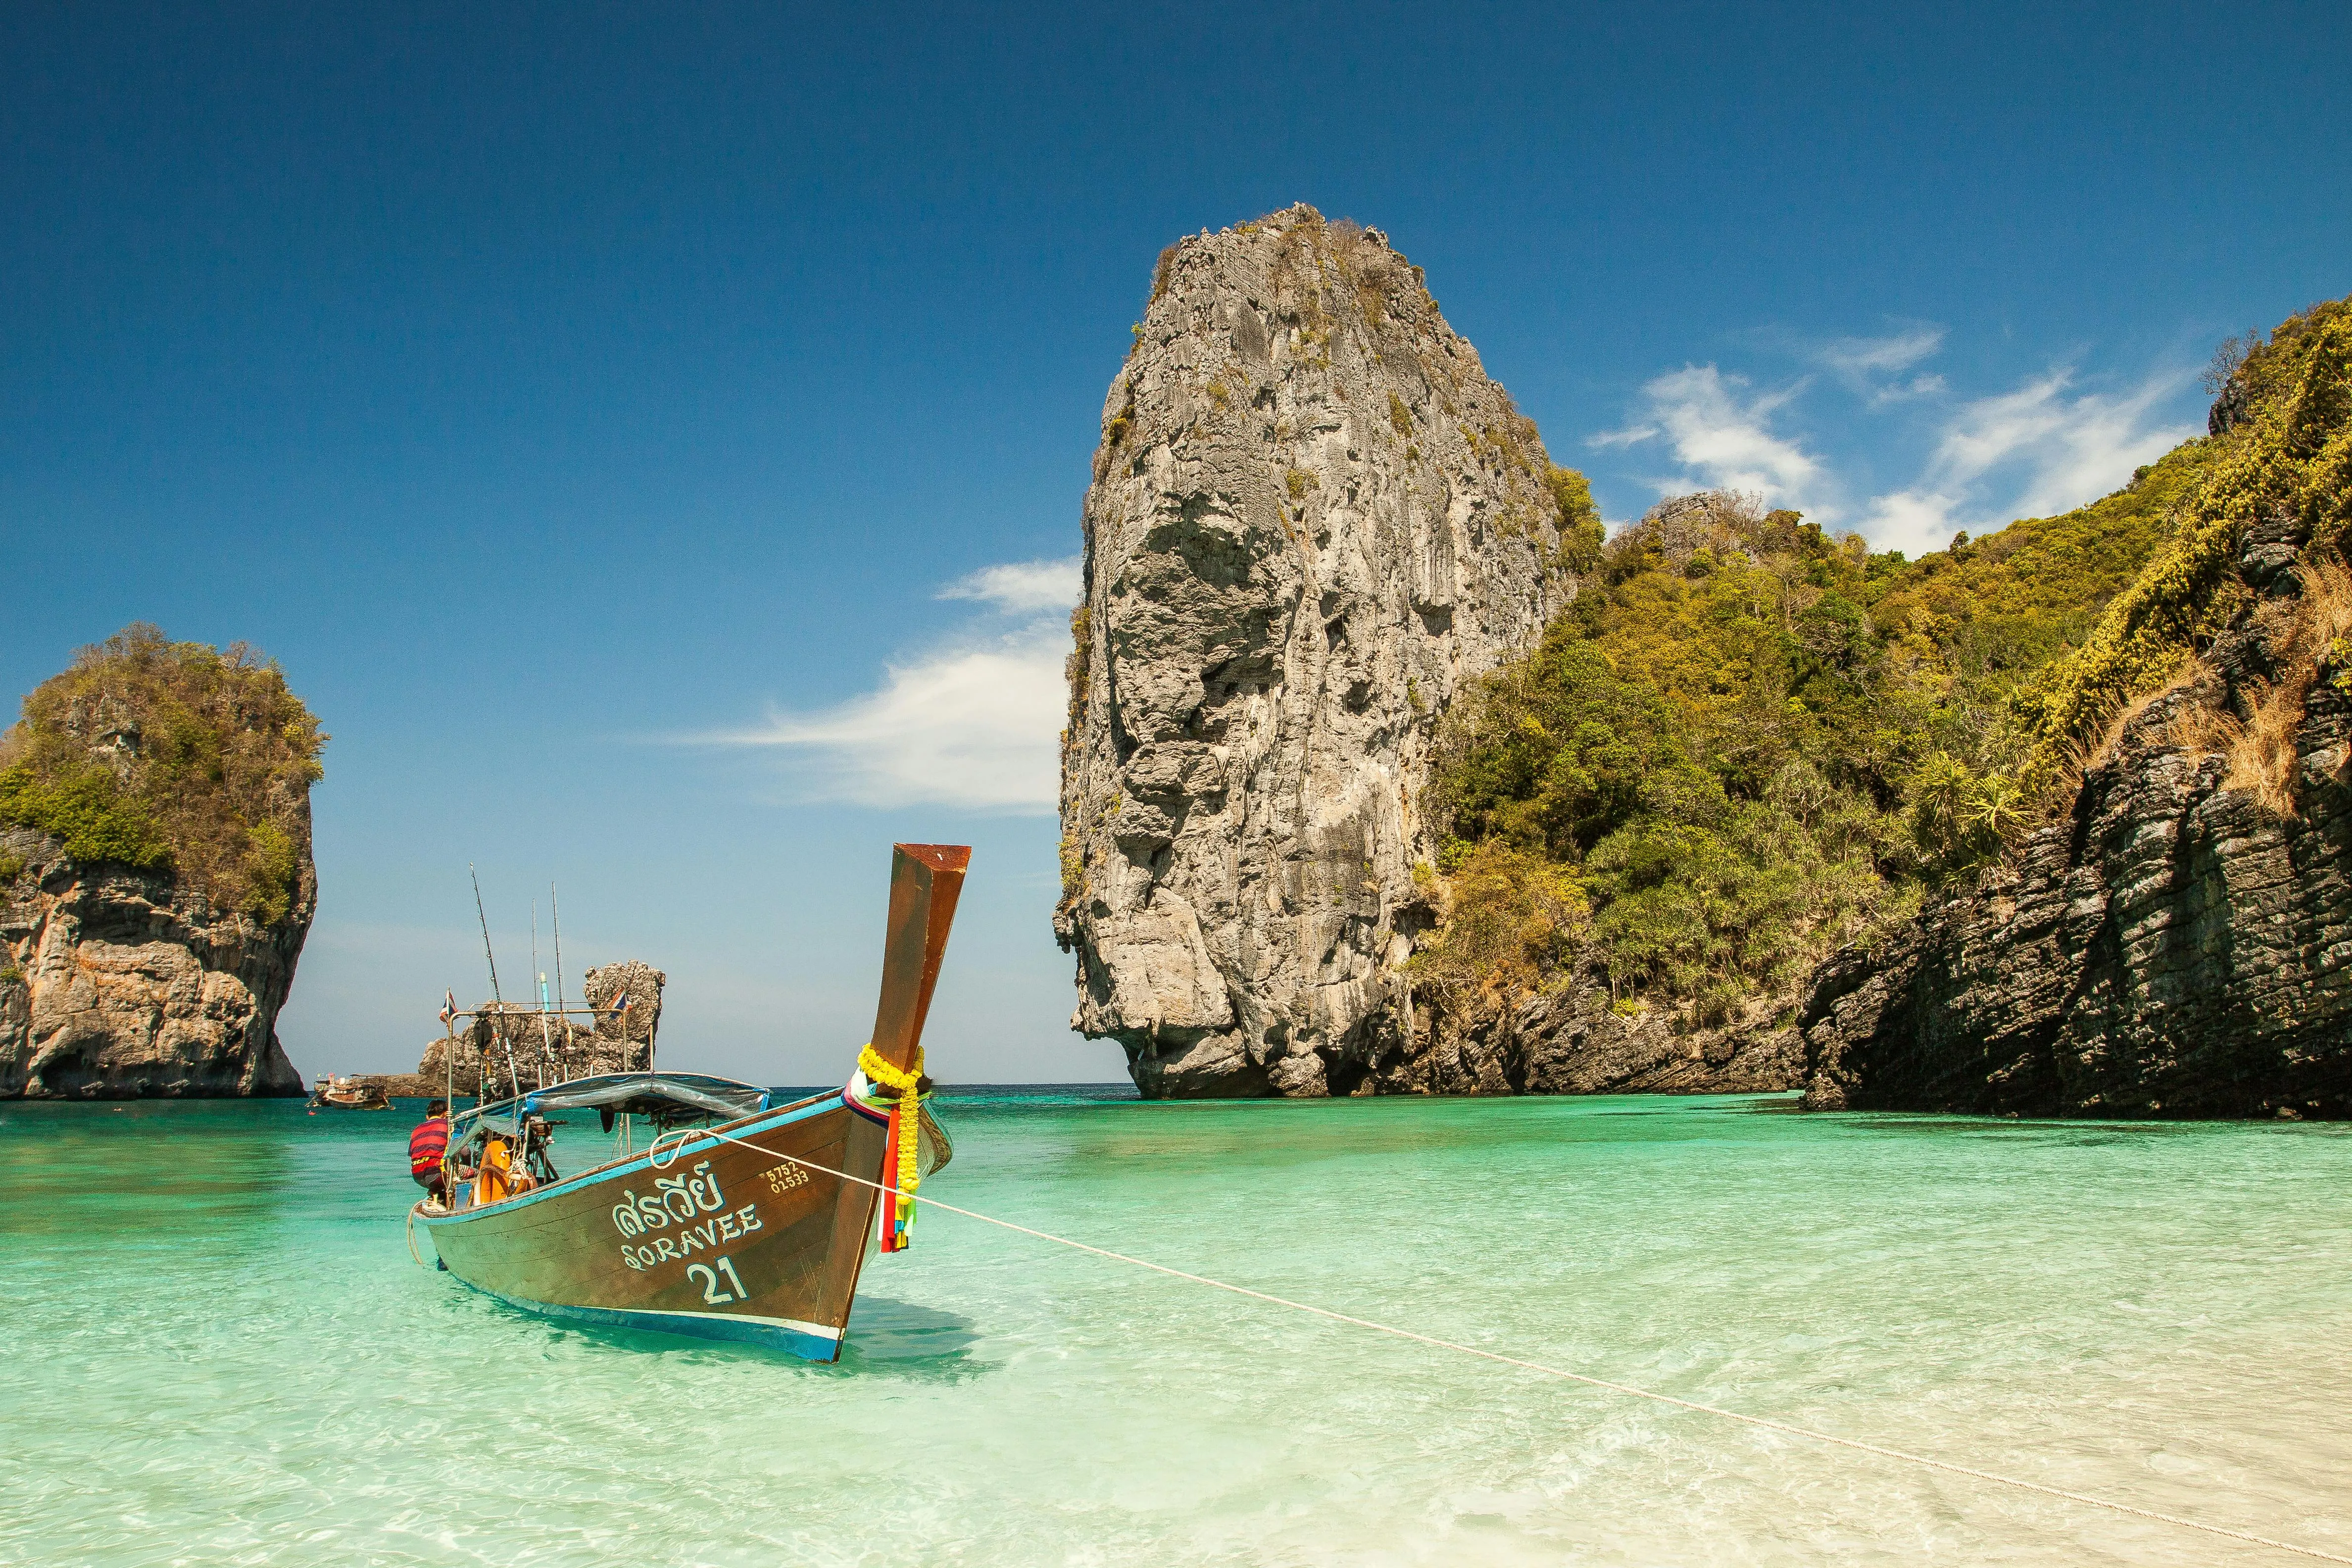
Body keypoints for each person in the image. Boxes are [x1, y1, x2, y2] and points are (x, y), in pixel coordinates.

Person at [408, 1100, 451, 1203]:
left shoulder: (416, 1130)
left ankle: (436, 1193)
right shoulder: (449, 1125)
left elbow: (413, 1154)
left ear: (427, 1117)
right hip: (437, 1175)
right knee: (472, 1173)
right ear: (445, 1114)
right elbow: (465, 1151)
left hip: (417, 1176)